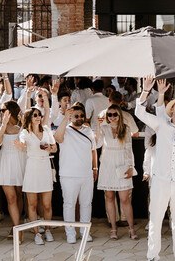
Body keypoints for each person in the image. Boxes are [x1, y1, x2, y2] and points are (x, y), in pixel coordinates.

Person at [136, 77, 175, 261]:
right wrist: (146, 91)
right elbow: (139, 111)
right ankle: (153, 256)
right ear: (170, 110)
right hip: (160, 181)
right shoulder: (160, 124)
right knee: (156, 220)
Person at [54, 102, 98, 245]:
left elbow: (93, 150)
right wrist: (65, 118)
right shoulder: (65, 129)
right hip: (68, 175)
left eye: (81, 116)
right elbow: (57, 138)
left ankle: (85, 232)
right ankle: (70, 234)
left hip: (86, 174)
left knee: (87, 204)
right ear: (71, 117)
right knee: (69, 204)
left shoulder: (88, 130)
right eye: (76, 116)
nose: (79, 118)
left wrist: (95, 168)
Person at [95, 97, 138, 240]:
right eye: (109, 115)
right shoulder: (103, 128)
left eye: (114, 114)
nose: (112, 117)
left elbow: (129, 149)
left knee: (125, 199)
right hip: (107, 164)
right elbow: (97, 144)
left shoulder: (125, 129)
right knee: (109, 197)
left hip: (121, 164)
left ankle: (132, 229)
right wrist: (97, 126)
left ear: (119, 115)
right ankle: (113, 229)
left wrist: (131, 167)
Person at [18, 105, 57, 245]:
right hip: (32, 167)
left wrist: (50, 148)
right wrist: (21, 145)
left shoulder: (46, 130)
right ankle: (36, 233)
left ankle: (47, 229)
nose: (38, 117)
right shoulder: (25, 133)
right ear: (29, 118)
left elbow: (55, 148)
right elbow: (22, 144)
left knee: (47, 204)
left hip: (45, 166)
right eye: (35, 115)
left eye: (39, 114)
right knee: (32, 204)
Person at [0, 100, 26, 233]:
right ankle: (16, 228)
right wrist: (3, 124)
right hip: (5, 161)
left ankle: (19, 226)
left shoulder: (22, 126)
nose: (1, 113)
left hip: (20, 160)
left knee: (19, 194)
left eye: (3, 110)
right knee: (11, 197)